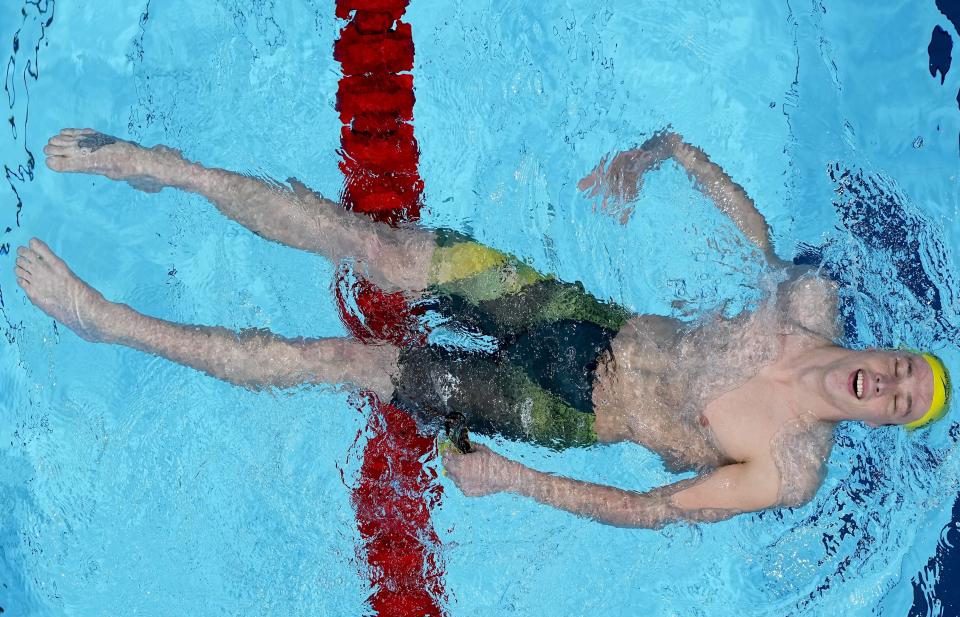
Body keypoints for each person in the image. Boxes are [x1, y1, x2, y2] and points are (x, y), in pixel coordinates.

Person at [15, 127, 950, 530]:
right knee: (369, 249)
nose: (888, 385)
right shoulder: (810, 305)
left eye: (900, 404)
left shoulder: (788, 470)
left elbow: (653, 510)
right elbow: (756, 238)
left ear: (880, 424)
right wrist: (667, 151)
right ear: (891, 351)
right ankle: (172, 172)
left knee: (346, 360)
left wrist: (512, 477)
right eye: (904, 370)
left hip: (555, 408)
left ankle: (113, 324)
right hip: (573, 315)